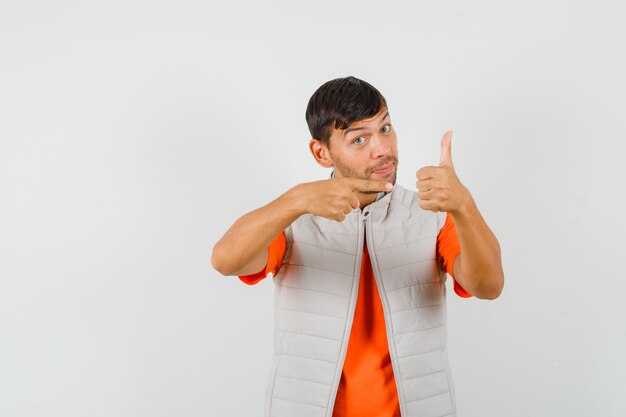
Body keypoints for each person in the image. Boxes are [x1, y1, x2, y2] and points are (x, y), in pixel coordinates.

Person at [211, 76, 504, 417]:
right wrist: (297, 199)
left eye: (385, 128)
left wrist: (463, 206)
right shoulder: (294, 219)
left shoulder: (432, 216)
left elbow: (489, 286)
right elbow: (225, 260)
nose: (382, 148)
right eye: (360, 139)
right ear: (322, 153)